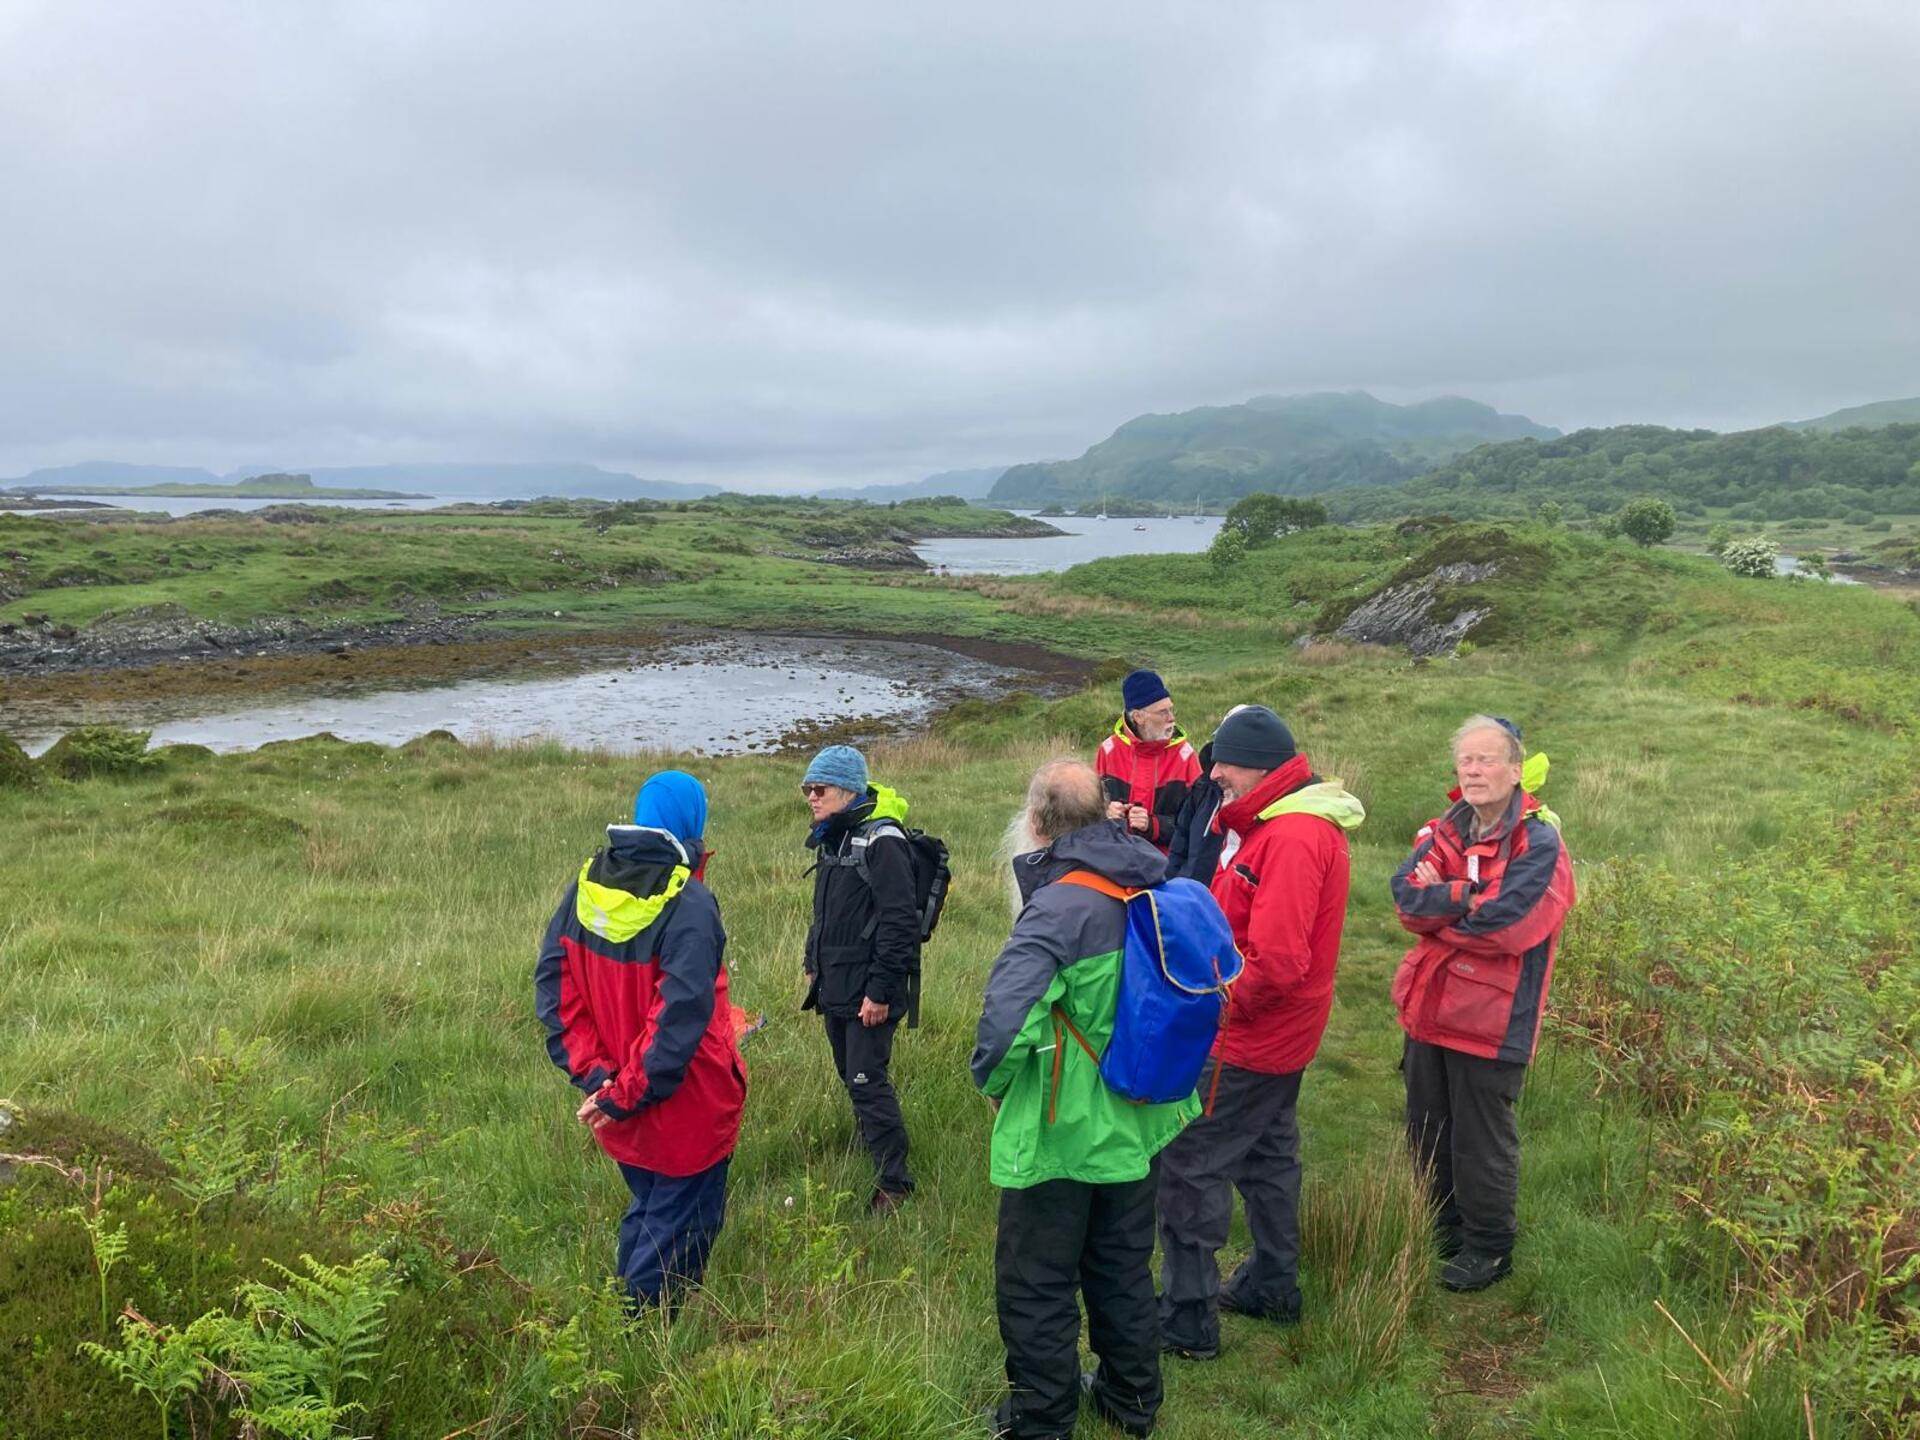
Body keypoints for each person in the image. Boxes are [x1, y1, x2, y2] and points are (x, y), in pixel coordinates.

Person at [972, 758, 1196, 1440]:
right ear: (1102, 814)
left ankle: (1041, 1420)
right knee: (1121, 1265)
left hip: (1063, 1129)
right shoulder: (1152, 876)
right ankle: (1132, 1401)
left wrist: (993, 1085)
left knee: (1035, 1281)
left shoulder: (1057, 908)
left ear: (1037, 824)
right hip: (1142, 1115)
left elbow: (1005, 1026)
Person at [1157, 706, 1365, 1359]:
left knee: (1190, 1166)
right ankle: (1273, 1285)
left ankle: (1187, 1320)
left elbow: (1275, 963)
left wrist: (1211, 1007)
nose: (1215, 774)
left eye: (1227, 763)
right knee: (1269, 1155)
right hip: (1280, 1036)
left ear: (1263, 766)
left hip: (1246, 1038)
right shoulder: (1272, 824)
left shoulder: (1293, 836)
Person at [535, 770, 746, 1311]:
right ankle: (640, 1341)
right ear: (692, 822)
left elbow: (557, 993)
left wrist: (600, 1079)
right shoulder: (690, 904)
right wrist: (618, 1091)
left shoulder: (586, 889)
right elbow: (678, 1021)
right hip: (687, 1108)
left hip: (620, 1101)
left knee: (652, 1206)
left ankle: (617, 1317)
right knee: (681, 1229)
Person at [1389, 715, 1575, 1292]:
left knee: (1481, 1140)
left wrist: (1443, 908)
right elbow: (1405, 899)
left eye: (1486, 759)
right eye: (1465, 760)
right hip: (1430, 1008)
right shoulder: (1447, 828)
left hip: (1494, 1019)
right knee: (1428, 1128)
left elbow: (1508, 926)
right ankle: (1445, 1230)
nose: (1473, 770)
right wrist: (1465, 896)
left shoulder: (1539, 842)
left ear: (1516, 770)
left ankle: (1490, 1248)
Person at [801, 743, 919, 1212]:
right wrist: (812, 962)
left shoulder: (884, 840)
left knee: (867, 1079)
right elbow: (824, 911)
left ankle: (895, 1181)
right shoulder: (833, 836)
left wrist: (880, 991)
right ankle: (873, 1142)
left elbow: (899, 923)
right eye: (807, 789)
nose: (812, 797)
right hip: (836, 982)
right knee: (850, 1075)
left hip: (870, 989)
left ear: (848, 790)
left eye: (820, 788)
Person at [1096, 669, 1201, 854]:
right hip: (1113, 858)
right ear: (1138, 717)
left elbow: (1197, 824)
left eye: (1171, 709)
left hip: (1165, 864)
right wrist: (1105, 812)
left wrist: (1153, 825)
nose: (1172, 718)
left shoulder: (1186, 757)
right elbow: (1086, 814)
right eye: (1162, 712)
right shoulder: (1108, 751)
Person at [1163, 705, 1252, 882]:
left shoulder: (1264, 804)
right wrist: (1170, 886)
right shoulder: (1203, 787)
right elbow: (1180, 842)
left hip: (1221, 895)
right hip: (1188, 892)